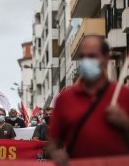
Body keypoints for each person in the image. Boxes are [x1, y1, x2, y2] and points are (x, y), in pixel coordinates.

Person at [47, 36, 129, 166]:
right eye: (82, 57)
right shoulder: (65, 99)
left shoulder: (124, 95)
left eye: (92, 56)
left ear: (106, 58)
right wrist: (56, 154)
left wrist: (125, 122)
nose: (86, 61)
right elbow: (52, 142)